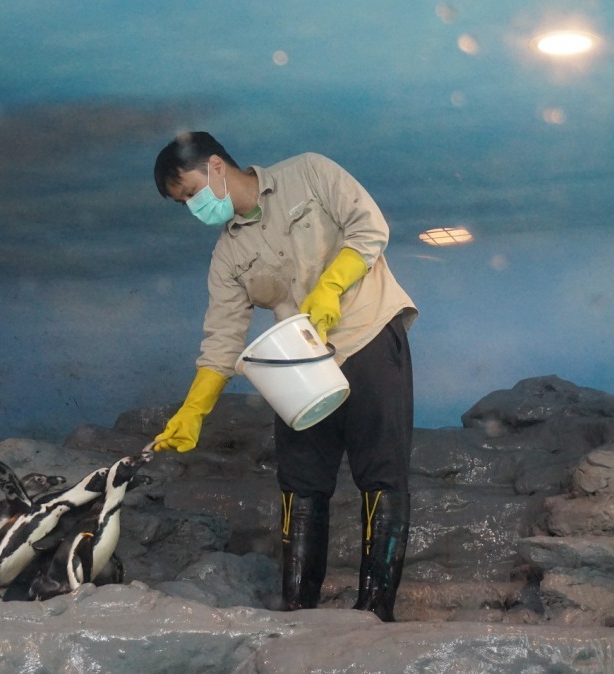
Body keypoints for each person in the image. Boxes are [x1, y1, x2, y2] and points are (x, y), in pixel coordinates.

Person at [151, 131, 418, 622]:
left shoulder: (309, 172)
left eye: (191, 193)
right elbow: (223, 341)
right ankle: (299, 612)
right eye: (182, 203)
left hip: (367, 334)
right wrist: (193, 411)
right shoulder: (227, 255)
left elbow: (370, 227)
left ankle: (376, 612)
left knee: (380, 472)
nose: (193, 207)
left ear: (215, 166)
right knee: (300, 478)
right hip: (299, 361)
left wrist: (332, 286)